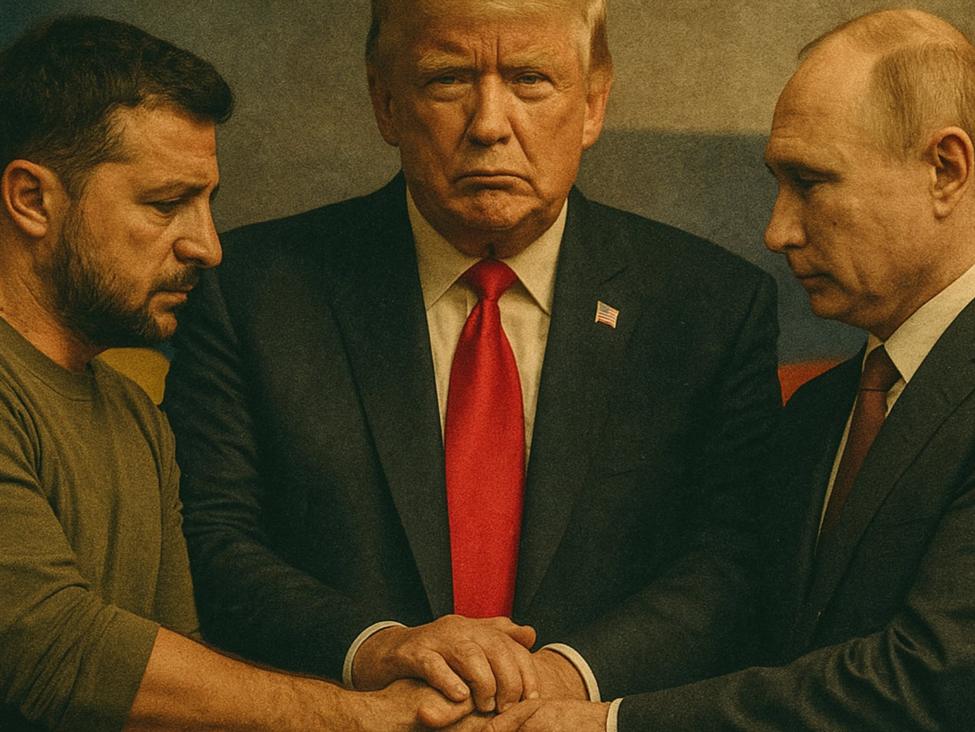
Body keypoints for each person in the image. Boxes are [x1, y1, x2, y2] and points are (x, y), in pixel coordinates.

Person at [164, 0, 780, 728]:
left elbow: (734, 558)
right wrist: (379, 648)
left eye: (529, 80)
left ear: (592, 104)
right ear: (385, 104)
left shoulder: (710, 306)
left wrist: (564, 676)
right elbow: (211, 539)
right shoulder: (250, 293)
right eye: (448, 80)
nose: (489, 124)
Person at [485, 8, 975, 730]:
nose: (776, 231)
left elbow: (931, 680)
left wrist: (610, 723)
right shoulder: (821, 412)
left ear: (945, 169)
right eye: (778, 183)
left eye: (810, 182)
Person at [0, 15, 472, 732]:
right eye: (166, 205)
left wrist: (390, 672)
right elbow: (54, 650)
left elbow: (179, 677)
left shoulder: (134, 415)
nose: (207, 246)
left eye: (206, 204)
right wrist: (364, 718)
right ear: (32, 199)